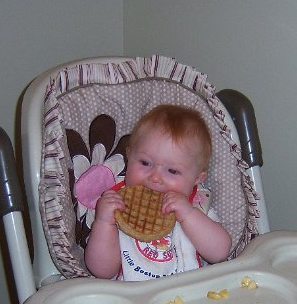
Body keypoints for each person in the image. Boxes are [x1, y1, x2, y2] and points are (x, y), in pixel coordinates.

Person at [85, 104, 232, 280]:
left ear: (197, 178)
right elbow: (102, 271)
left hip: (192, 291)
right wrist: (103, 223)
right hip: (133, 294)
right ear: (129, 156)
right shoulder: (115, 205)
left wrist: (188, 215)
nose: (155, 177)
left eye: (172, 171)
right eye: (145, 163)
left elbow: (220, 253)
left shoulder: (196, 206)